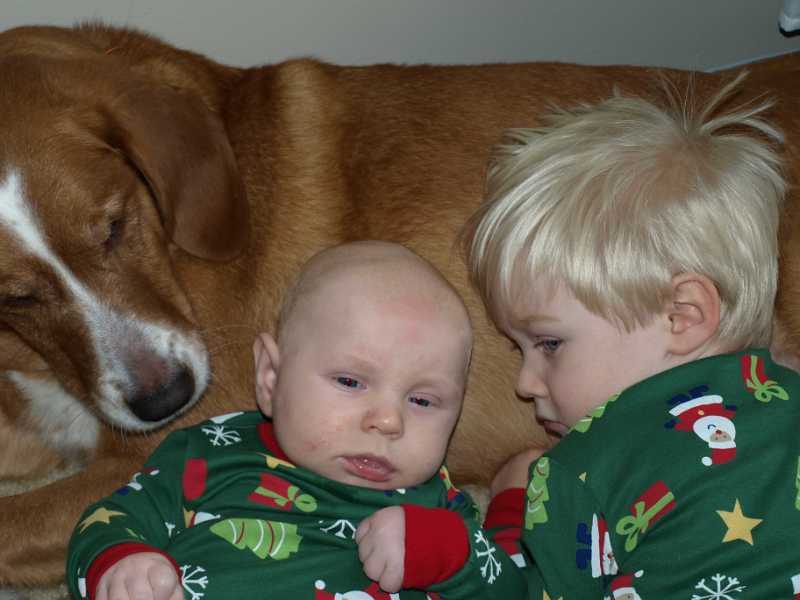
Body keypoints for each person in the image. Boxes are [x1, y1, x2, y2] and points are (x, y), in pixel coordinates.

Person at [464, 73, 800, 598]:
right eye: (520, 349)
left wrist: (510, 509)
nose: (525, 382)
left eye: (549, 344)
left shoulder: (582, 471)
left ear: (682, 316)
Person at [66, 240, 527, 600]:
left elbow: (512, 588)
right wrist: (122, 564)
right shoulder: (207, 454)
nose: (388, 421)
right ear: (271, 376)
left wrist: (448, 553)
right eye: (350, 381)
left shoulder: (438, 509)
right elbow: (108, 521)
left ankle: (516, 498)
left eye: (423, 401)